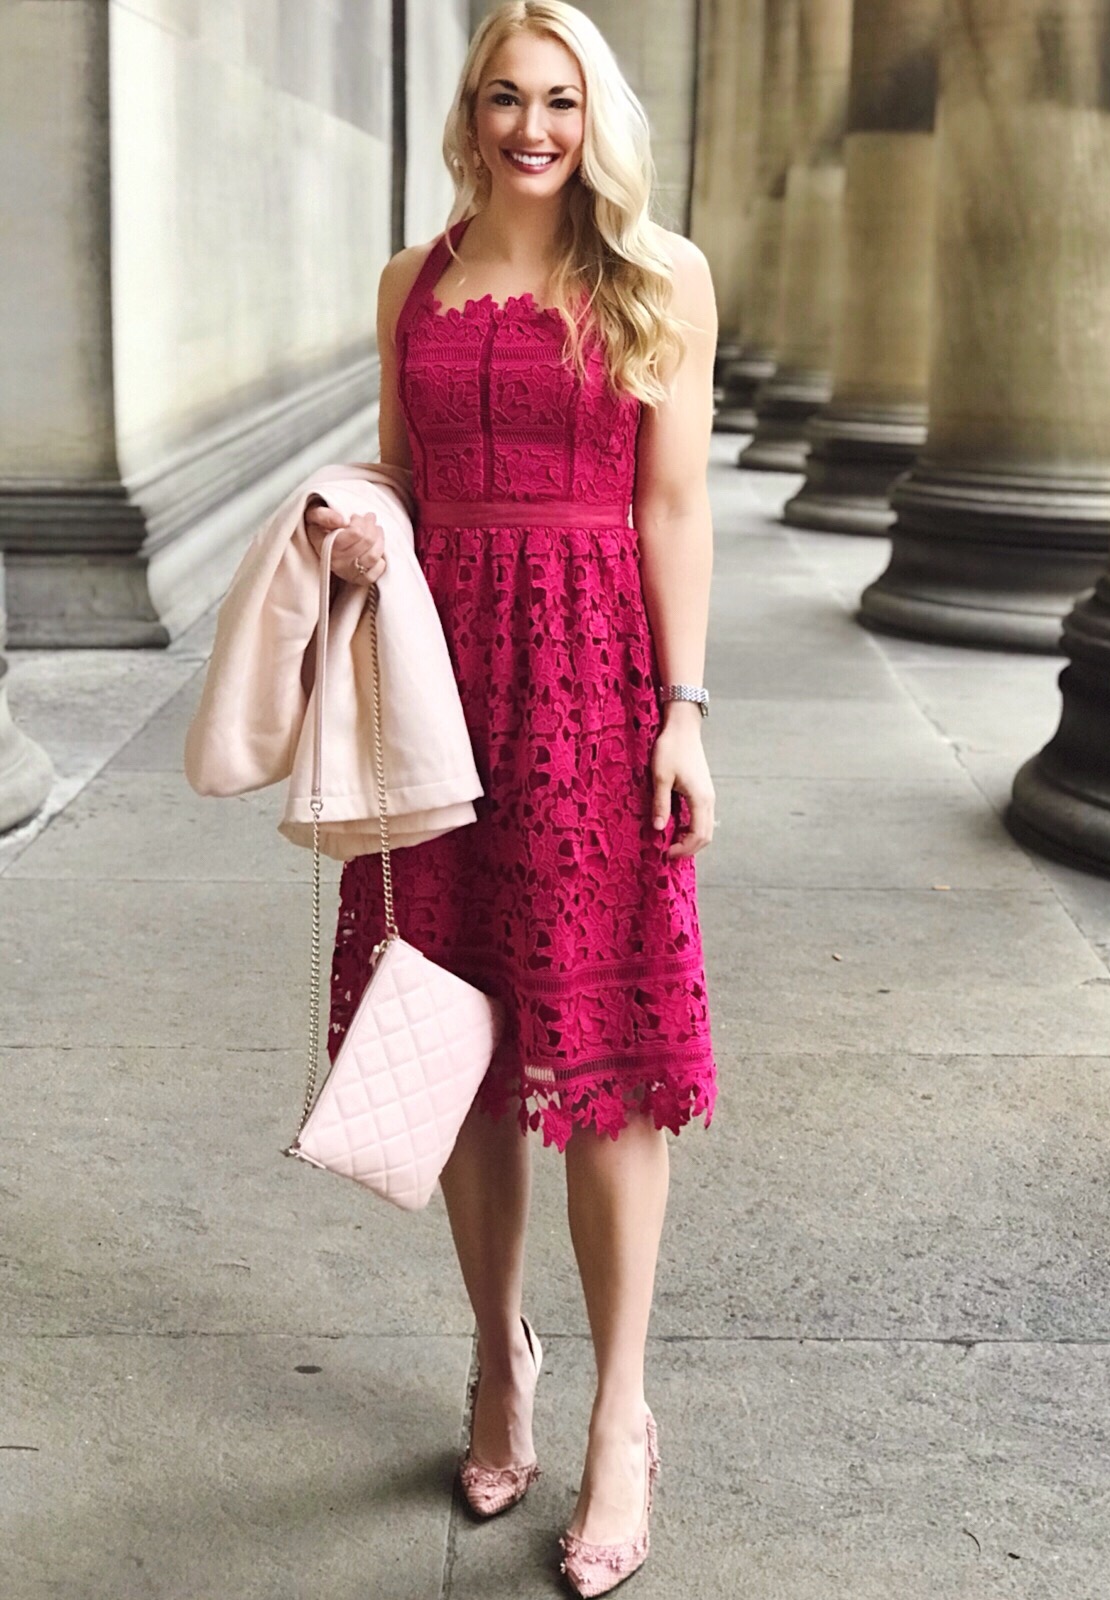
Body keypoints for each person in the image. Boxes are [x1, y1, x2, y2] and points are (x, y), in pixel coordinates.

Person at [305, 3, 718, 1591]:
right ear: (467, 113)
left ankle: (621, 1412)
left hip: (599, 677)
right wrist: (361, 514)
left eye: (559, 100)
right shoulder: (414, 279)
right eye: (503, 97)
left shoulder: (654, 275)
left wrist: (683, 713)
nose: (531, 126)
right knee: (462, 1031)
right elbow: (406, 471)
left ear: (590, 114)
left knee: (605, 1048)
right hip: (441, 684)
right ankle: (499, 1354)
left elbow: (674, 502)